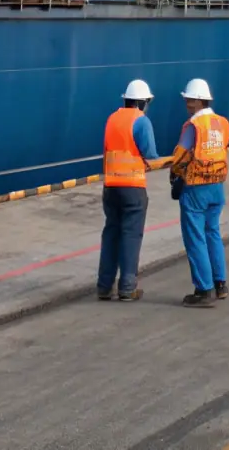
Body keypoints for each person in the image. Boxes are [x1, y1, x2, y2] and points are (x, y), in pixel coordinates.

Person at [170, 77, 229, 308]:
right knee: (212, 233)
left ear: (196, 101)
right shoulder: (221, 123)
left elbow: (180, 157)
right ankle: (220, 284)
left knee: (195, 238)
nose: (186, 104)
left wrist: (175, 173)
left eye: (188, 100)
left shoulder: (193, 126)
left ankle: (203, 290)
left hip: (196, 187)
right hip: (217, 186)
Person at [97, 78, 158, 301]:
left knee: (111, 233)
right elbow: (150, 154)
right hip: (133, 187)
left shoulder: (112, 119)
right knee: (131, 235)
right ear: (142, 103)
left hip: (110, 187)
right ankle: (127, 287)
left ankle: (104, 286)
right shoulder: (141, 121)